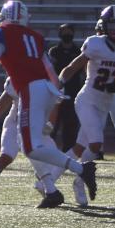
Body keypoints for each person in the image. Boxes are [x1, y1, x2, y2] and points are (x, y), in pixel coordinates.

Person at [0, 0, 97, 210]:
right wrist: (56, 93)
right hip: (47, 89)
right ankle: (52, 190)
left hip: (31, 89)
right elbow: (49, 69)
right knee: (31, 145)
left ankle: (81, 169)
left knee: (31, 148)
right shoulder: (35, 37)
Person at [57, 6, 115, 170]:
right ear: (104, 26)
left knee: (79, 148)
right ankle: (82, 174)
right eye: (111, 25)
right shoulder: (95, 43)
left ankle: (51, 175)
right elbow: (73, 67)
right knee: (96, 144)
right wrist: (59, 84)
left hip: (104, 105)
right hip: (87, 99)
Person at [0, 81, 64, 204]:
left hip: (36, 127)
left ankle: (46, 188)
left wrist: (49, 125)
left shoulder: (50, 81)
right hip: (15, 124)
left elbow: (54, 108)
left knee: (56, 161)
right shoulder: (17, 79)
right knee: (7, 156)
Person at [48, 23, 82, 152]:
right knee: (52, 123)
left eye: (69, 32)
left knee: (71, 123)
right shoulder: (54, 51)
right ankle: (49, 149)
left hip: (73, 91)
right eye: (64, 32)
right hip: (55, 91)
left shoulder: (78, 52)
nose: (67, 35)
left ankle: (68, 150)